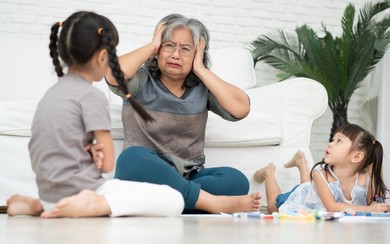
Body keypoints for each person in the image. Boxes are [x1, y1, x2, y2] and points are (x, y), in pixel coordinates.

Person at [6, 11, 184, 218]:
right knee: (174, 199)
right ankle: (93, 206)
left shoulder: (50, 95)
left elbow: (51, 147)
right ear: (102, 57)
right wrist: (97, 158)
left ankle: (39, 205)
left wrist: (87, 152)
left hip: (49, 193)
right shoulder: (92, 97)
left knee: (106, 192)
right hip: (84, 192)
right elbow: (108, 165)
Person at [105, 13, 261, 214]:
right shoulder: (141, 80)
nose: (175, 54)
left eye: (185, 49)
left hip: (188, 176)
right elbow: (111, 73)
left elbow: (241, 108)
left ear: (197, 55)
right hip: (146, 175)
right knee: (131, 158)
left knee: (236, 180)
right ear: (159, 50)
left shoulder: (201, 89)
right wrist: (152, 46)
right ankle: (208, 203)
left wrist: (201, 70)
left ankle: (174, 202)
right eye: (169, 45)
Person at [254, 123, 389, 214]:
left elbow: (374, 205)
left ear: (356, 157)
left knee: (309, 186)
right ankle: (269, 172)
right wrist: (370, 209)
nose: (330, 144)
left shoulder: (365, 180)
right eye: (333, 139)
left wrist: (380, 207)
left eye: (339, 141)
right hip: (304, 199)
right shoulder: (320, 173)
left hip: (314, 196)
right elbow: (332, 207)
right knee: (273, 207)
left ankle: (301, 162)